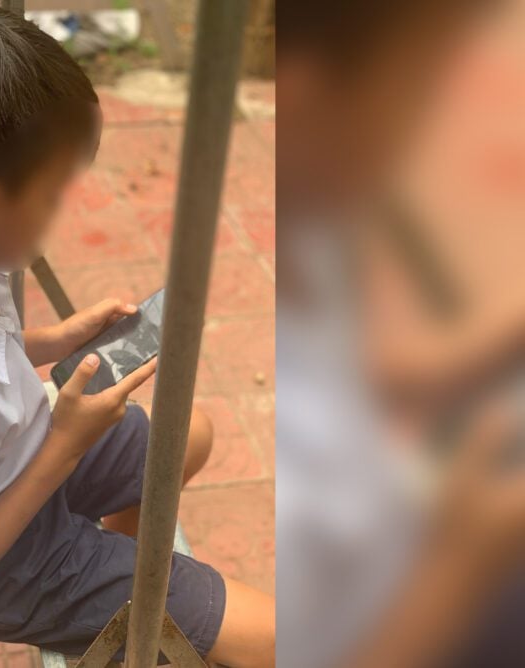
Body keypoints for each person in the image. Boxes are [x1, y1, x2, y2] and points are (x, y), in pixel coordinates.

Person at [0, 2, 275, 665]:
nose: (62, 209)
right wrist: (65, 446)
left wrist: (56, 340)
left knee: (193, 435)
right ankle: (118, 597)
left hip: (13, 451)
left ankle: (121, 591)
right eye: (53, 192)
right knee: (268, 636)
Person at [277, 0, 525, 665]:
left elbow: (372, 375)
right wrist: (461, 564)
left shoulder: (316, 234)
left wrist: (490, 342)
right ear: (308, 102)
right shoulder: (290, 492)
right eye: (422, 86)